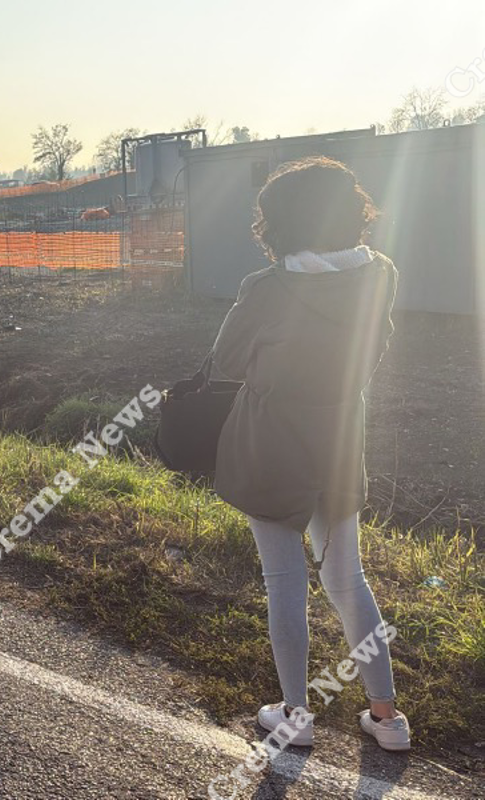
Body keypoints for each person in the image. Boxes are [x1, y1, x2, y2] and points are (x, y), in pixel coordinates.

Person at [210, 157, 405, 752]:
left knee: (283, 580)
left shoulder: (267, 288)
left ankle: (295, 717)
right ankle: (387, 717)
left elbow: (225, 362)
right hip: (342, 441)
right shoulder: (381, 275)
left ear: (281, 223)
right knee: (348, 578)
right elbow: (373, 353)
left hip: (271, 444)